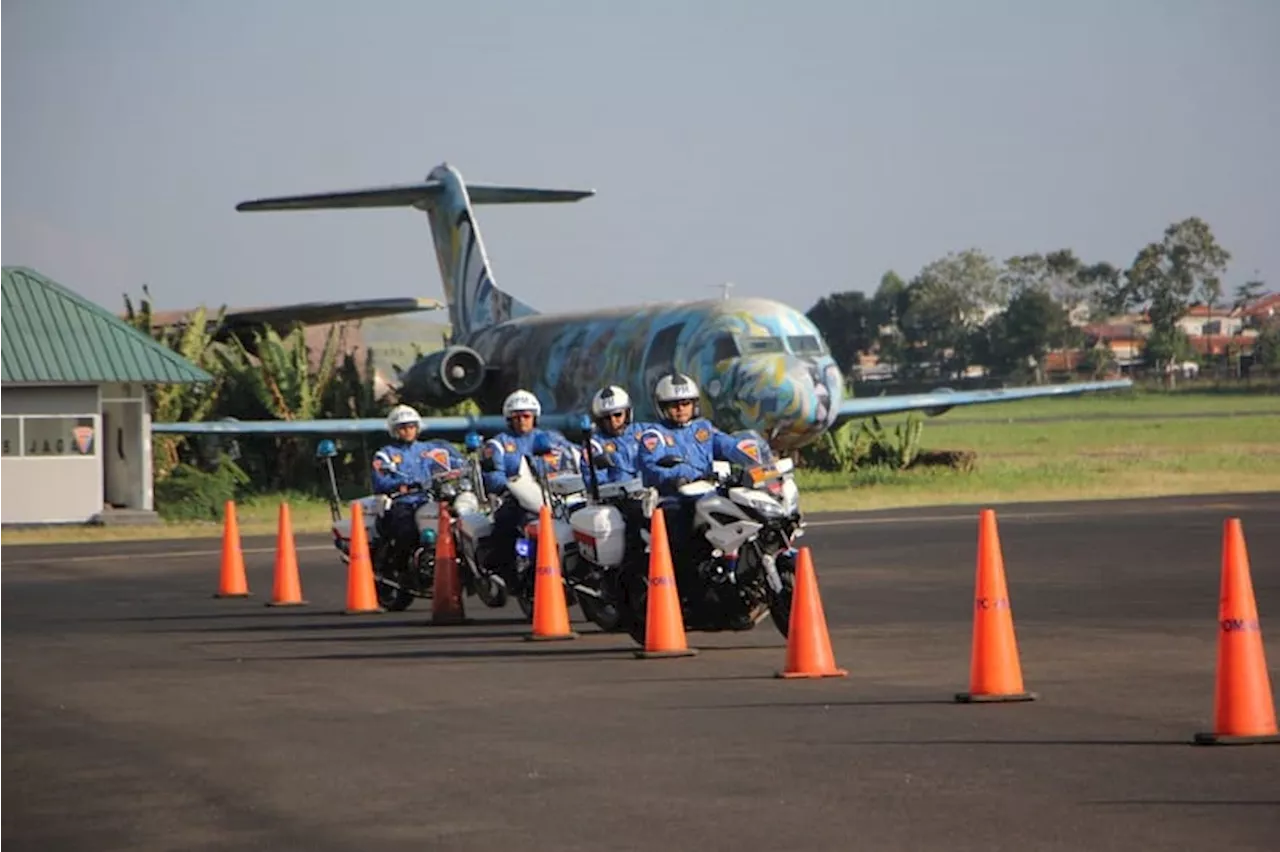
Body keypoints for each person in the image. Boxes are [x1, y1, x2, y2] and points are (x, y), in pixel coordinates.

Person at [480, 389, 580, 573]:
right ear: (509, 419)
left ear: (535, 417)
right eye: (516, 417)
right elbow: (493, 474)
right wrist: (505, 486)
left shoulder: (552, 437)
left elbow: (576, 454)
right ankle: (503, 567)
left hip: (555, 495)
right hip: (518, 497)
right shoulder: (498, 443)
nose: (522, 420)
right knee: (506, 520)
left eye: (526, 415)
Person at [371, 403, 467, 564]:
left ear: (417, 428)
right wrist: (402, 484)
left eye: (411, 426)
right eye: (402, 427)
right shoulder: (386, 454)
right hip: (403, 502)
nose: (408, 431)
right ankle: (401, 568)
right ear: (394, 430)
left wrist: (464, 467)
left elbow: (450, 463)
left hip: (429, 500)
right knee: (407, 532)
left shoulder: (428, 449)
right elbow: (380, 480)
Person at [634, 372, 741, 495]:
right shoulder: (654, 435)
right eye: (674, 405)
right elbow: (651, 468)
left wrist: (749, 450)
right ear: (663, 407)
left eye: (686, 403)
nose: (681, 409)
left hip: (709, 491)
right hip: (674, 499)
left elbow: (729, 445)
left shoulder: (703, 427)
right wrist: (683, 474)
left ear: (694, 405)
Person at [582, 384, 654, 486]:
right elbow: (595, 481)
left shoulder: (646, 432)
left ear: (627, 414)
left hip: (653, 493)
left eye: (618, 414)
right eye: (607, 417)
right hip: (618, 498)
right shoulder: (595, 445)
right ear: (599, 420)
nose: (613, 421)